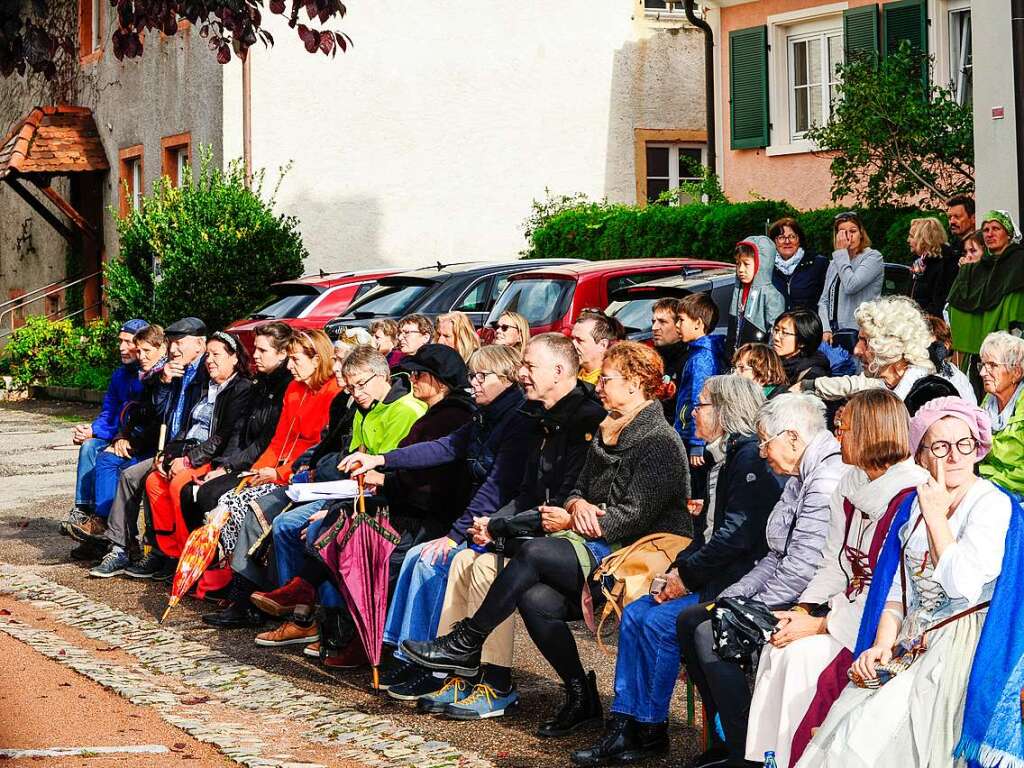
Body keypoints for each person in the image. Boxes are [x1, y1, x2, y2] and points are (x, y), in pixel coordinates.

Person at [401, 341, 690, 739]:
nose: (599, 385)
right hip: (598, 542)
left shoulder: (657, 439)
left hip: (637, 551)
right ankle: (579, 692)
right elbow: (577, 487)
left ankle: (467, 640)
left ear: (637, 384)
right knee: (536, 599)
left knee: (532, 552)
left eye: (607, 379)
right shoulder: (608, 428)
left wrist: (580, 515)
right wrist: (577, 504)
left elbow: (637, 514)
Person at [574, 391, 836, 768]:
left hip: (803, 598)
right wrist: (703, 584)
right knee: (643, 615)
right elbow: (764, 551)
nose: (764, 451)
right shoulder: (776, 470)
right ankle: (632, 723)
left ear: (792, 437)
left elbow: (759, 548)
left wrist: (733, 602)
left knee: (694, 626)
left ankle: (735, 745)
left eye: (701, 404)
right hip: (745, 581)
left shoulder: (787, 470)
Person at [798, 398, 1010, 768]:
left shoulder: (990, 506)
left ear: (978, 449)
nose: (954, 456)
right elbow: (898, 588)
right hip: (911, 637)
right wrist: (882, 644)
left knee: (883, 743)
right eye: (940, 446)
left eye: (965, 444)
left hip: (962, 644)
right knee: (850, 733)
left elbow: (963, 584)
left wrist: (937, 518)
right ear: (922, 454)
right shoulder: (913, 505)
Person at [337, 345, 535, 710]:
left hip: (496, 523)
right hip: (474, 520)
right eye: (472, 375)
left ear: (506, 379)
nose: (472, 383)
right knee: (417, 557)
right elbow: (441, 448)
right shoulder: (483, 416)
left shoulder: (516, 420)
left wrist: (454, 534)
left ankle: (437, 666)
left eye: (481, 377)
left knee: (430, 560)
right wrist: (381, 459)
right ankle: (407, 652)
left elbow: (496, 485)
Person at [744, 389, 929, 768]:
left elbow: (896, 587)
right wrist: (801, 610)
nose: (837, 436)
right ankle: (769, 759)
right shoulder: (850, 482)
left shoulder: (912, 494)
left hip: (886, 623)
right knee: (778, 648)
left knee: (800, 658)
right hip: (847, 609)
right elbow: (833, 562)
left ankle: (799, 758)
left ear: (868, 432)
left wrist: (819, 625)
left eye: (843, 428)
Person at [88, 317, 211, 579]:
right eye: (172, 343)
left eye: (179, 343)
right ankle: (120, 547)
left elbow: (208, 426)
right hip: (165, 447)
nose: (174, 349)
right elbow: (149, 411)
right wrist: (164, 383)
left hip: (187, 451)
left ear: (200, 345)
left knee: (136, 476)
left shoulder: (206, 374)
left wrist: (175, 454)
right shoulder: (176, 371)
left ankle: (158, 551)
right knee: (115, 466)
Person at [146, 332, 253, 559]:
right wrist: (166, 454)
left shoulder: (240, 389)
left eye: (216, 355)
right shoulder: (206, 386)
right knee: (154, 481)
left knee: (178, 485)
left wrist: (187, 460)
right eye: (207, 355)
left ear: (234, 358)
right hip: (188, 449)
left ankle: (189, 554)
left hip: (209, 457)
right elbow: (187, 425)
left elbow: (222, 437)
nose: (210, 360)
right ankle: (169, 551)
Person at [181, 321, 294, 524]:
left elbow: (265, 441)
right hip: (240, 459)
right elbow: (238, 429)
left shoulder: (285, 387)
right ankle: (192, 553)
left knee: (206, 494)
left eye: (262, 350)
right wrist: (223, 465)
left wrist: (228, 469)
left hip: (262, 462)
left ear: (282, 354)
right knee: (190, 493)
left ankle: (217, 554)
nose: (255, 355)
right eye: (255, 349)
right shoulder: (259, 383)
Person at [63, 318, 149, 537]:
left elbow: (139, 420)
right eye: (120, 341)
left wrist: (108, 434)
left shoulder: (148, 376)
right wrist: (91, 430)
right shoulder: (119, 375)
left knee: (102, 455)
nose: (121, 347)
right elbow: (109, 412)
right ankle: (83, 512)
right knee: (90, 446)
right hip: (118, 436)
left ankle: (103, 522)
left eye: (127, 342)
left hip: (137, 441)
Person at [802, 296, 973, 406]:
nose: (856, 350)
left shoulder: (929, 392)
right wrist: (807, 385)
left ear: (889, 346)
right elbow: (854, 384)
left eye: (865, 342)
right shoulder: (895, 377)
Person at [948, 210, 1024, 369]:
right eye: (986, 230)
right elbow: (960, 298)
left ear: (1008, 233)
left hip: (1011, 347)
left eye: (996, 228)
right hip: (982, 353)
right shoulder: (979, 268)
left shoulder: (1019, 262)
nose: (989, 234)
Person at [674, 293, 726, 504]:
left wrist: (697, 442)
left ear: (698, 323)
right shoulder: (697, 353)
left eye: (681, 320)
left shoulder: (702, 358)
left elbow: (701, 399)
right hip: (690, 431)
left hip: (694, 436)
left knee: (695, 491)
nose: (677, 325)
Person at [818, 212, 884, 353]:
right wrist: (826, 329)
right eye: (842, 232)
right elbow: (823, 300)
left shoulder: (873, 257)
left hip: (859, 337)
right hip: (833, 336)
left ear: (861, 233)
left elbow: (851, 286)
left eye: (853, 231)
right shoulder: (835, 263)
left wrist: (841, 254)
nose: (848, 236)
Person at [977, 331, 1024, 494]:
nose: (983, 372)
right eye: (982, 364)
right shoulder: (988, 402)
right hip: (985, 484)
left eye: (992, 365)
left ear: (1016, 372)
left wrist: (991, 485)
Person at [727, 236, 786, 354]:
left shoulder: (772, 295)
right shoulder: (738, 291)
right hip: (736, 361)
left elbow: (774, 336)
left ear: (761, 265)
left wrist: (764, 362)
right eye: (738, 264)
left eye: (746, 264)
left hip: (758, 363)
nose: (741, 269)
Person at [769, 218, 828, 312]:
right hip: (778, 325)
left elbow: (827, 300)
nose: (787, 241)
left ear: (799, 239)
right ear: (774, 242)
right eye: (781, 237)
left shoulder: (818, 264)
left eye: (792, 236)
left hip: (808, 325)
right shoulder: (767, 267)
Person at [907, 217, 956, 318]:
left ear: (923, 239)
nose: (908, 240)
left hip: (931, 325)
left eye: (911, 236)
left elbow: (938, 304)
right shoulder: (919, 262)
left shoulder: (945, 265)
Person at [771, 309, 830, 386]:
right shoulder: (769, 361)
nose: (776, 337)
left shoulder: (813, 375)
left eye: (784, 333)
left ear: (802, 341)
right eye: (776, 330)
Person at [651, 298, 686, 424]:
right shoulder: (651, 359)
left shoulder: (688, 361)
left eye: (662, 322)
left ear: (678, 325)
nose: (655, 327)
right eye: (653, 321)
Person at [571, 310, 626, 385]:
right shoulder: (572, 372)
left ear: (602, 345)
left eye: (580, 340)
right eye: (572, 338)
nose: (573, 344)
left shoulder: (609, 384)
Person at [945, 194, 977, 264]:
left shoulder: (983, 245)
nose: (952, 221)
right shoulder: (952, 246)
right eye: (950, 217)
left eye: (957, 217)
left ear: (973, 218)